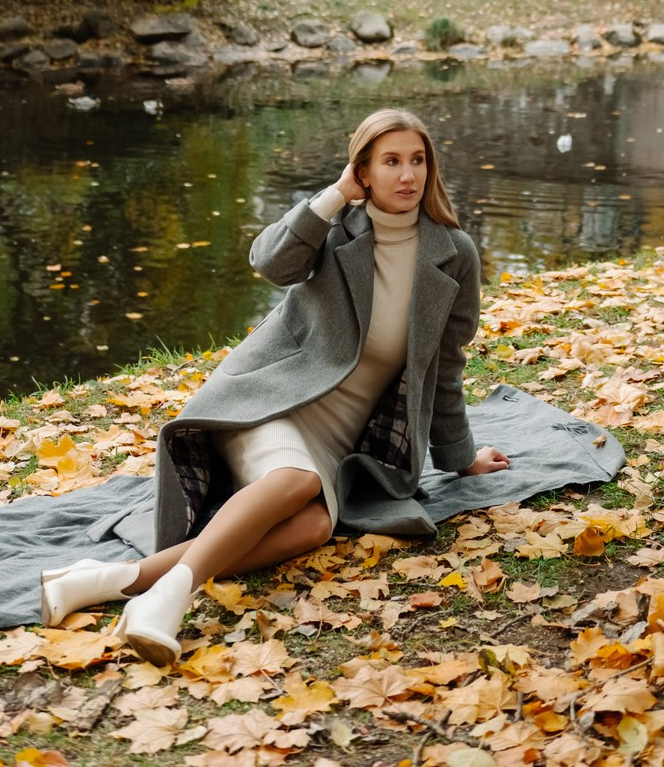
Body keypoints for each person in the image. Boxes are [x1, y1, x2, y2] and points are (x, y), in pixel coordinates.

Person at [38, 107, 509, 664]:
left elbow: (445, 368)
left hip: (342, 441)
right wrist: (334, 195)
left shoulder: (454, 255)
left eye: (417, 160)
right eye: (390, 161)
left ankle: (108, 581)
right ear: (363, 171)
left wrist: (459, 457)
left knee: (311, 526)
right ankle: (169, 596)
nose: (407, 175)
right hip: (270, 399)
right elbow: (269, 261)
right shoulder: (335, 230)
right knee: (295, 482)